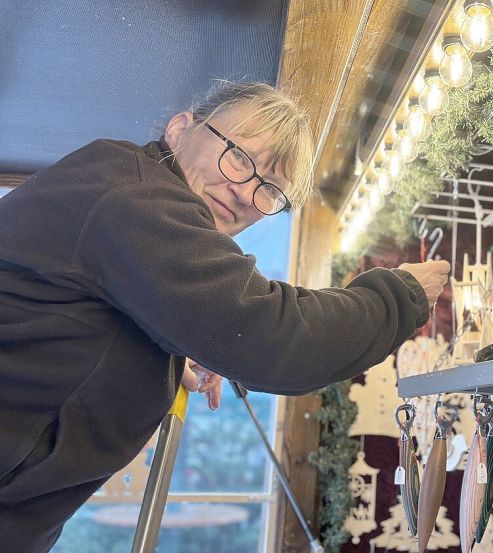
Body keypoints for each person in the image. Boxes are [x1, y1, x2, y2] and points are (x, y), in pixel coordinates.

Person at [0, 81, 451, 551]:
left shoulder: (133, 198)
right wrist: (400, 296)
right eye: (239, 157)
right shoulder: (133, 196)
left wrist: (170, 346)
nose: (244, 192)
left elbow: (79, 318)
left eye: (269, 190)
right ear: (180, 129)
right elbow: (270, 337)